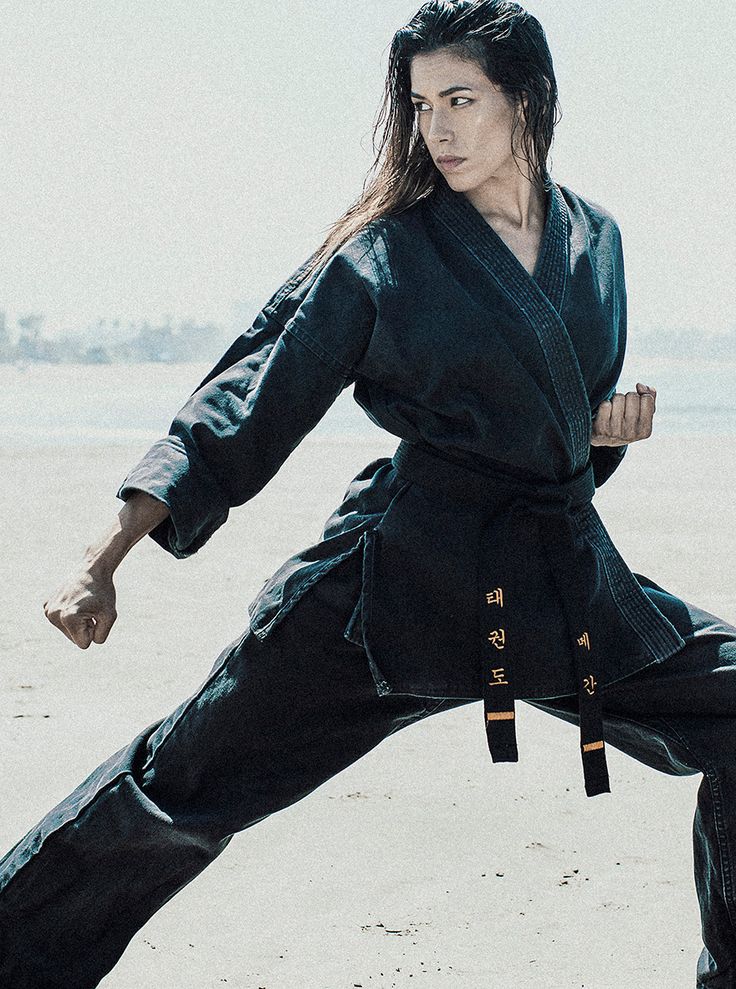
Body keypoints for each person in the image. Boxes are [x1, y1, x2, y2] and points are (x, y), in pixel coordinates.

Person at [0, 0, 733, 985]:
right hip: (390, 593)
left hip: (558, 582)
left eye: (461, 99)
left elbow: (551, 431)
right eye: (422, 102)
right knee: (179, 791)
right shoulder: (381, 251)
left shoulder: (594, 242)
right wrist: (101, 559)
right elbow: (248, 400)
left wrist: (598, 432)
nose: (436, 127)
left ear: (527, 99)